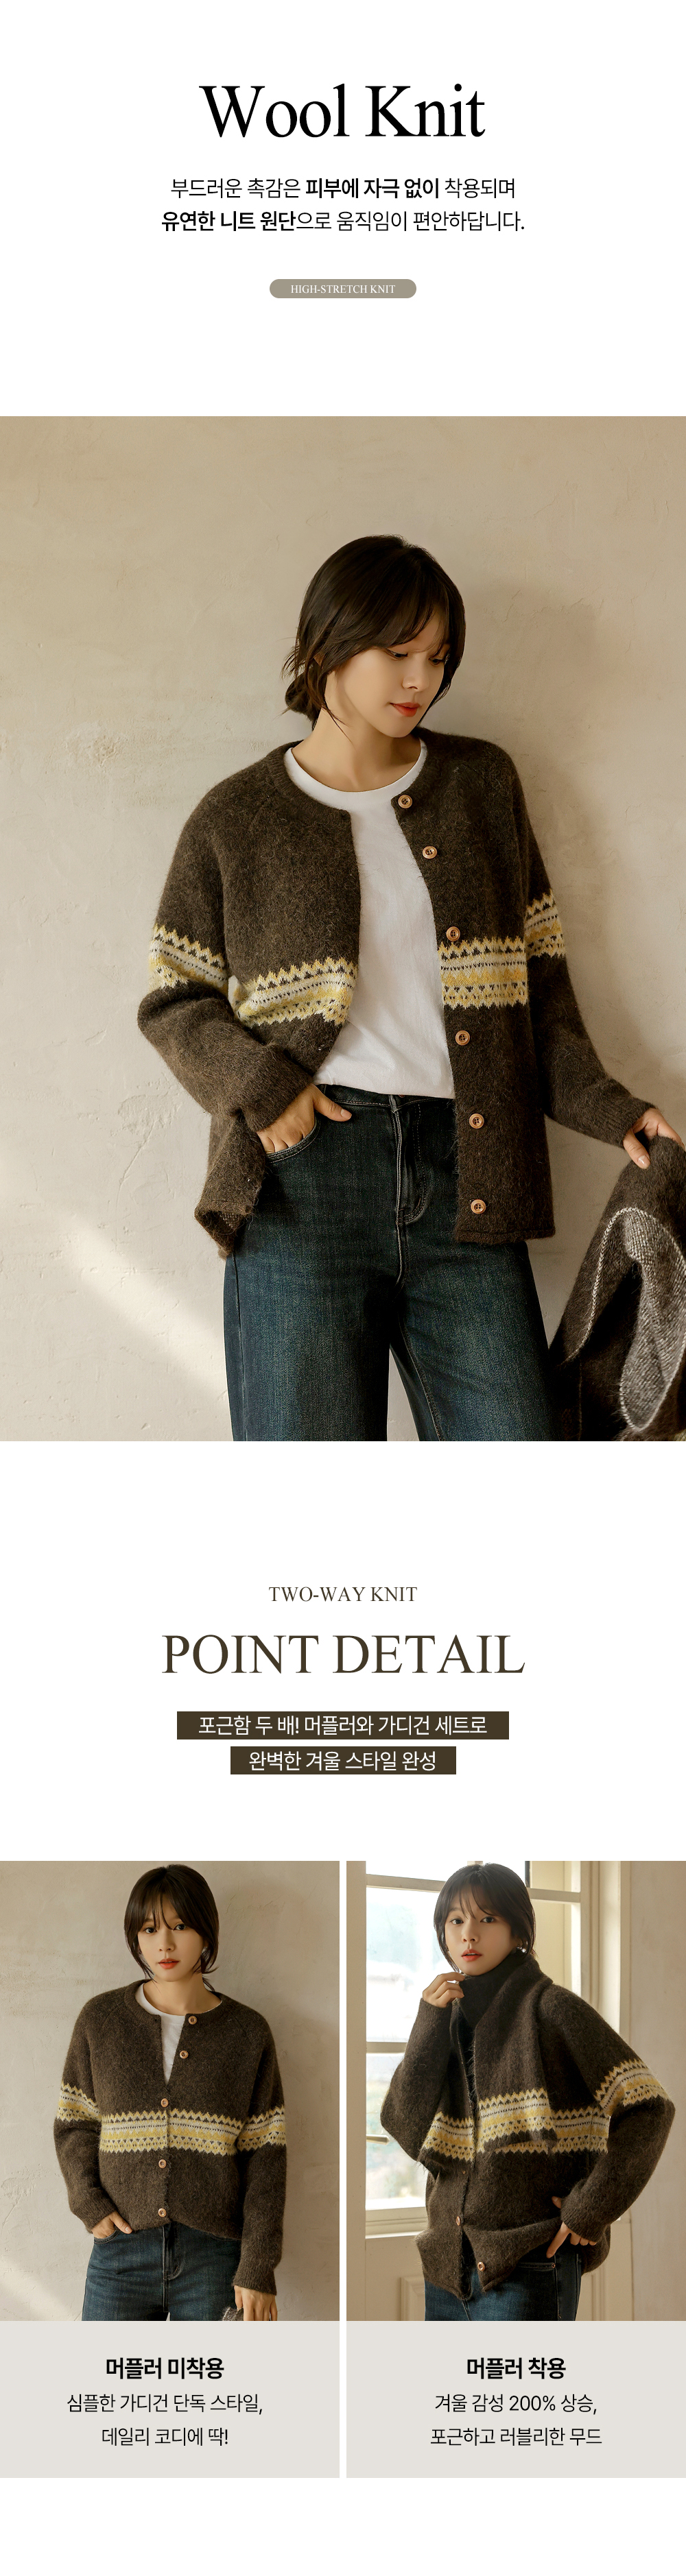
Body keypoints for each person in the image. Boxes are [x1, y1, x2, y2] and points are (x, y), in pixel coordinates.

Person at [138, 534, 682, 1441]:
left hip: (467, 1175)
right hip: (305, 1184)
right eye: (398, 652)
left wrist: (612, 1108)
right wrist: (264, 1087)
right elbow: (173, 999)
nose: (420, 679)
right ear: (327, 645)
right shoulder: (236, 817)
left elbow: (536, 989)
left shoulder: (480, 786)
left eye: (438, 657)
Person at [380, 1863, 674, 2322]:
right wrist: (428, 2025)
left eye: (487, 1918)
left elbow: (650, 2108)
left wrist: (590, 2208)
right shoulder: (445, 2017)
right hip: (447, 2269)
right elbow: (403, 2124)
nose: (469, 1933)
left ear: (518, 1930)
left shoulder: (554, 2010)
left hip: (531, 2263)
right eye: (456, 1920)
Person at [54, 1864, 285, 2322]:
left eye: (180, 1926)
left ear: (206, 1932)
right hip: (120, 2253)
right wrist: (89, 2203)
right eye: (150, 1928)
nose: (164, 1943)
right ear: (135, 1937)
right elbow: (75, 2123)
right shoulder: (101, 2020)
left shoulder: (247, 2033)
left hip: (213, 2257)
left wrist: (258, 2264)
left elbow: (265, 2158)